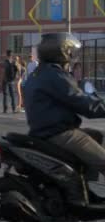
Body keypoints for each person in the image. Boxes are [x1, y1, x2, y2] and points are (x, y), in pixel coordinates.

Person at [24, 33, 105, 204]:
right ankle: (79, 198)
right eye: (70, 52)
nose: (73, 56)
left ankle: (84, 189)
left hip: (43, 131)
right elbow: (84, 104)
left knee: (97, 136)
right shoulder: (56, 76)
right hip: (59, 133)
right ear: (62, 53)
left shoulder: (38, 73)